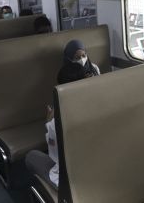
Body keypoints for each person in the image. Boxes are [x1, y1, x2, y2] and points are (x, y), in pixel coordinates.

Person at [26, 40, 102, 189]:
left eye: (83, 55)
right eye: (77, 57)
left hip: (71, 180)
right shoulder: (98, 108)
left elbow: (54, 153)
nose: (82, 59)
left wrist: (48, 123)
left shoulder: (57, 121)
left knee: (31, 157)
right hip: (97, 168)